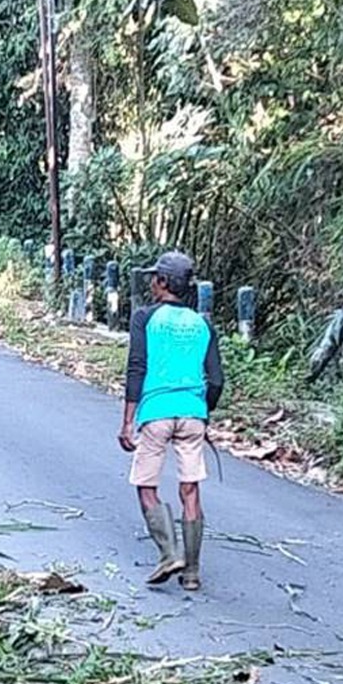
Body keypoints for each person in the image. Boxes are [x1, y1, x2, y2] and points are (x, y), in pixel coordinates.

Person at [118, 251, 224, 591]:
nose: (151, 282)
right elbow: (217, 379)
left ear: (163, 283)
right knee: (190, 489)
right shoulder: (204, 324)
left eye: (154, 278)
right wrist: (203, 412)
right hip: (193, 415)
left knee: (146, 485)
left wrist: (127, 422)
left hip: (156, 413)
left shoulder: (145, 318)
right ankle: (191, 573)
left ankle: (168, 553)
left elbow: (137, 367)